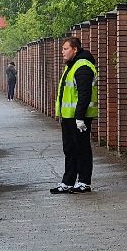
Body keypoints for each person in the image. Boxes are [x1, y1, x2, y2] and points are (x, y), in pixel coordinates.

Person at [51, 35, 98, 194]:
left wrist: (79, 118)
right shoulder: (71, 65)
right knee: (70, 149)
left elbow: (84, 94)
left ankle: (84, 182)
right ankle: (68, 182)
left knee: (82, 149)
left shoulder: (82, 66)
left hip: (79, 118)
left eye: (65, 49)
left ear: (75, 49)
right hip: (69, 117)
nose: (62, 52)